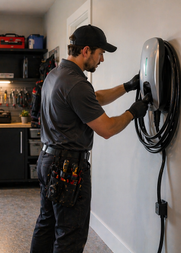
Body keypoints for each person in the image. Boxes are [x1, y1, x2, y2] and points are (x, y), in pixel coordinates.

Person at [30, 25, 148, 253]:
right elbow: (107, 129)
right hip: (68, 167)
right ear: (86, 50)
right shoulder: (76, 84)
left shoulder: (55, 75)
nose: (102, 59)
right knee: (70, 235)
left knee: (47, 223)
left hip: (47, 160)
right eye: (100, 53)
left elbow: (95, 98)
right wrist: (133, 112)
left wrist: (127, 87)